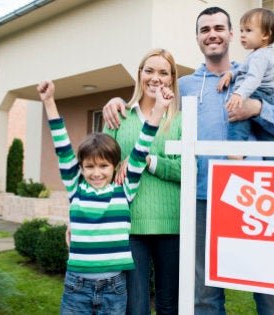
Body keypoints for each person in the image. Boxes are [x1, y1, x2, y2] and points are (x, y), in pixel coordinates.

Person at [103, 7, 274, 315]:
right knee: (203, 297)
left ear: (232, 34)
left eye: (219, 27)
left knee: (270, 290)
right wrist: (116, 102)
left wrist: (256, 108)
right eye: (205, 29)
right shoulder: (186, 87)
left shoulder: (255, 76)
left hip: (252, 198)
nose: (212, 34)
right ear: (197, 38)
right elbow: (149, 99)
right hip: (199, 201)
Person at [37, 78, 174, 314]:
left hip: (114, 288)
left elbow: (142, 146)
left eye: (103, 166)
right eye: (89, 167)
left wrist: (159, 109)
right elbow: (61, 145)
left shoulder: (124, 189)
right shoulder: (76, 188)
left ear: (114, 167)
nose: (96, 173)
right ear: (80, 168)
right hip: (76, 287)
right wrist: (49, 101)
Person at [103, 48, 182, 315]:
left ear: (172, 79)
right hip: (129, 223)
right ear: (140, 74)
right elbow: (101, 167)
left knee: (169, 306)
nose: (155, 78)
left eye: (163, 72)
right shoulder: (118, 116)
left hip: (171, 225)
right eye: (149, 70)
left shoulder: (179, 121)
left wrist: (147, 160)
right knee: (134, 308)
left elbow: (188, 169)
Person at [217, 8, 274, 160]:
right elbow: (243, 70)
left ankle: (236, 150)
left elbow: (253, 78)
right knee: (263, 133)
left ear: (266, 34)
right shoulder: (259, 53)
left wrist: (239, 93)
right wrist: (230, 73)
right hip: (265, 94)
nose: (242, 34)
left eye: (248, 30)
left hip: (259, 92)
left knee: (238, 116)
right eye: (241, 30)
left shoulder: (259, 57)